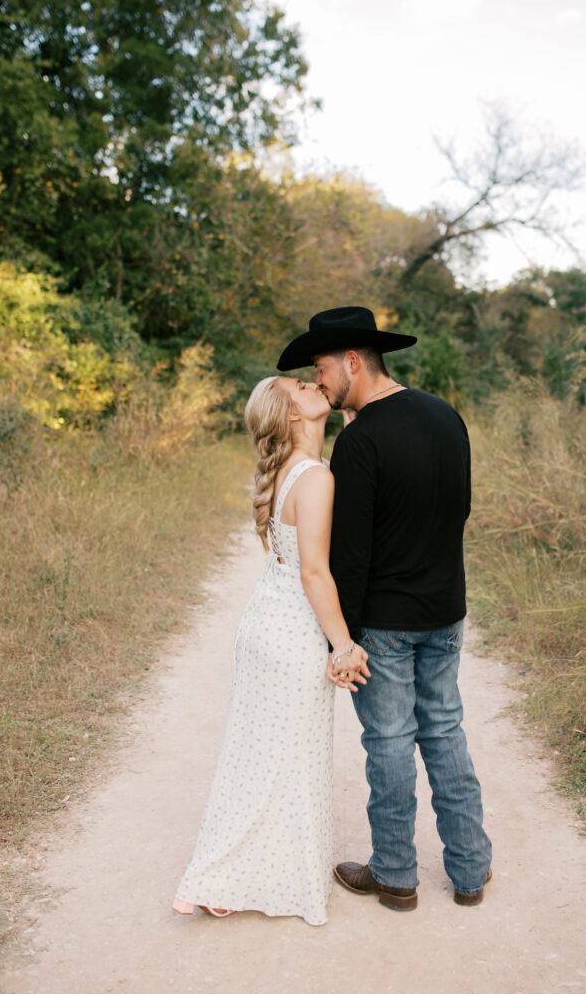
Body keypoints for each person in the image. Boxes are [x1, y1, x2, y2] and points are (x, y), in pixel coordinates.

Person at [277, 306, 493, 912]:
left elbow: (349, 556)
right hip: (445, 611)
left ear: (352, 361)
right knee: (446, 731)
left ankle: (397, 875)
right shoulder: (446, 416)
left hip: (387, 626)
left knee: (391, 743)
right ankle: (471, 870)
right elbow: (462, 510)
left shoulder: (360, 440)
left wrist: (339, 642)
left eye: (320, 369)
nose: (318, 382)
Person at [172, 374, 369, 926]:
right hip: (292, 637)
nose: (315, 383)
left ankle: (222, 880)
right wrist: (344, 645)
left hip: (263, 625)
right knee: (291, 763)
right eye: (302, 385)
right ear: (289, 415)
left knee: (256, 760)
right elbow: (314, 572)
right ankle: (219, 876)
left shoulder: (287, 470)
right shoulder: (316, 477)